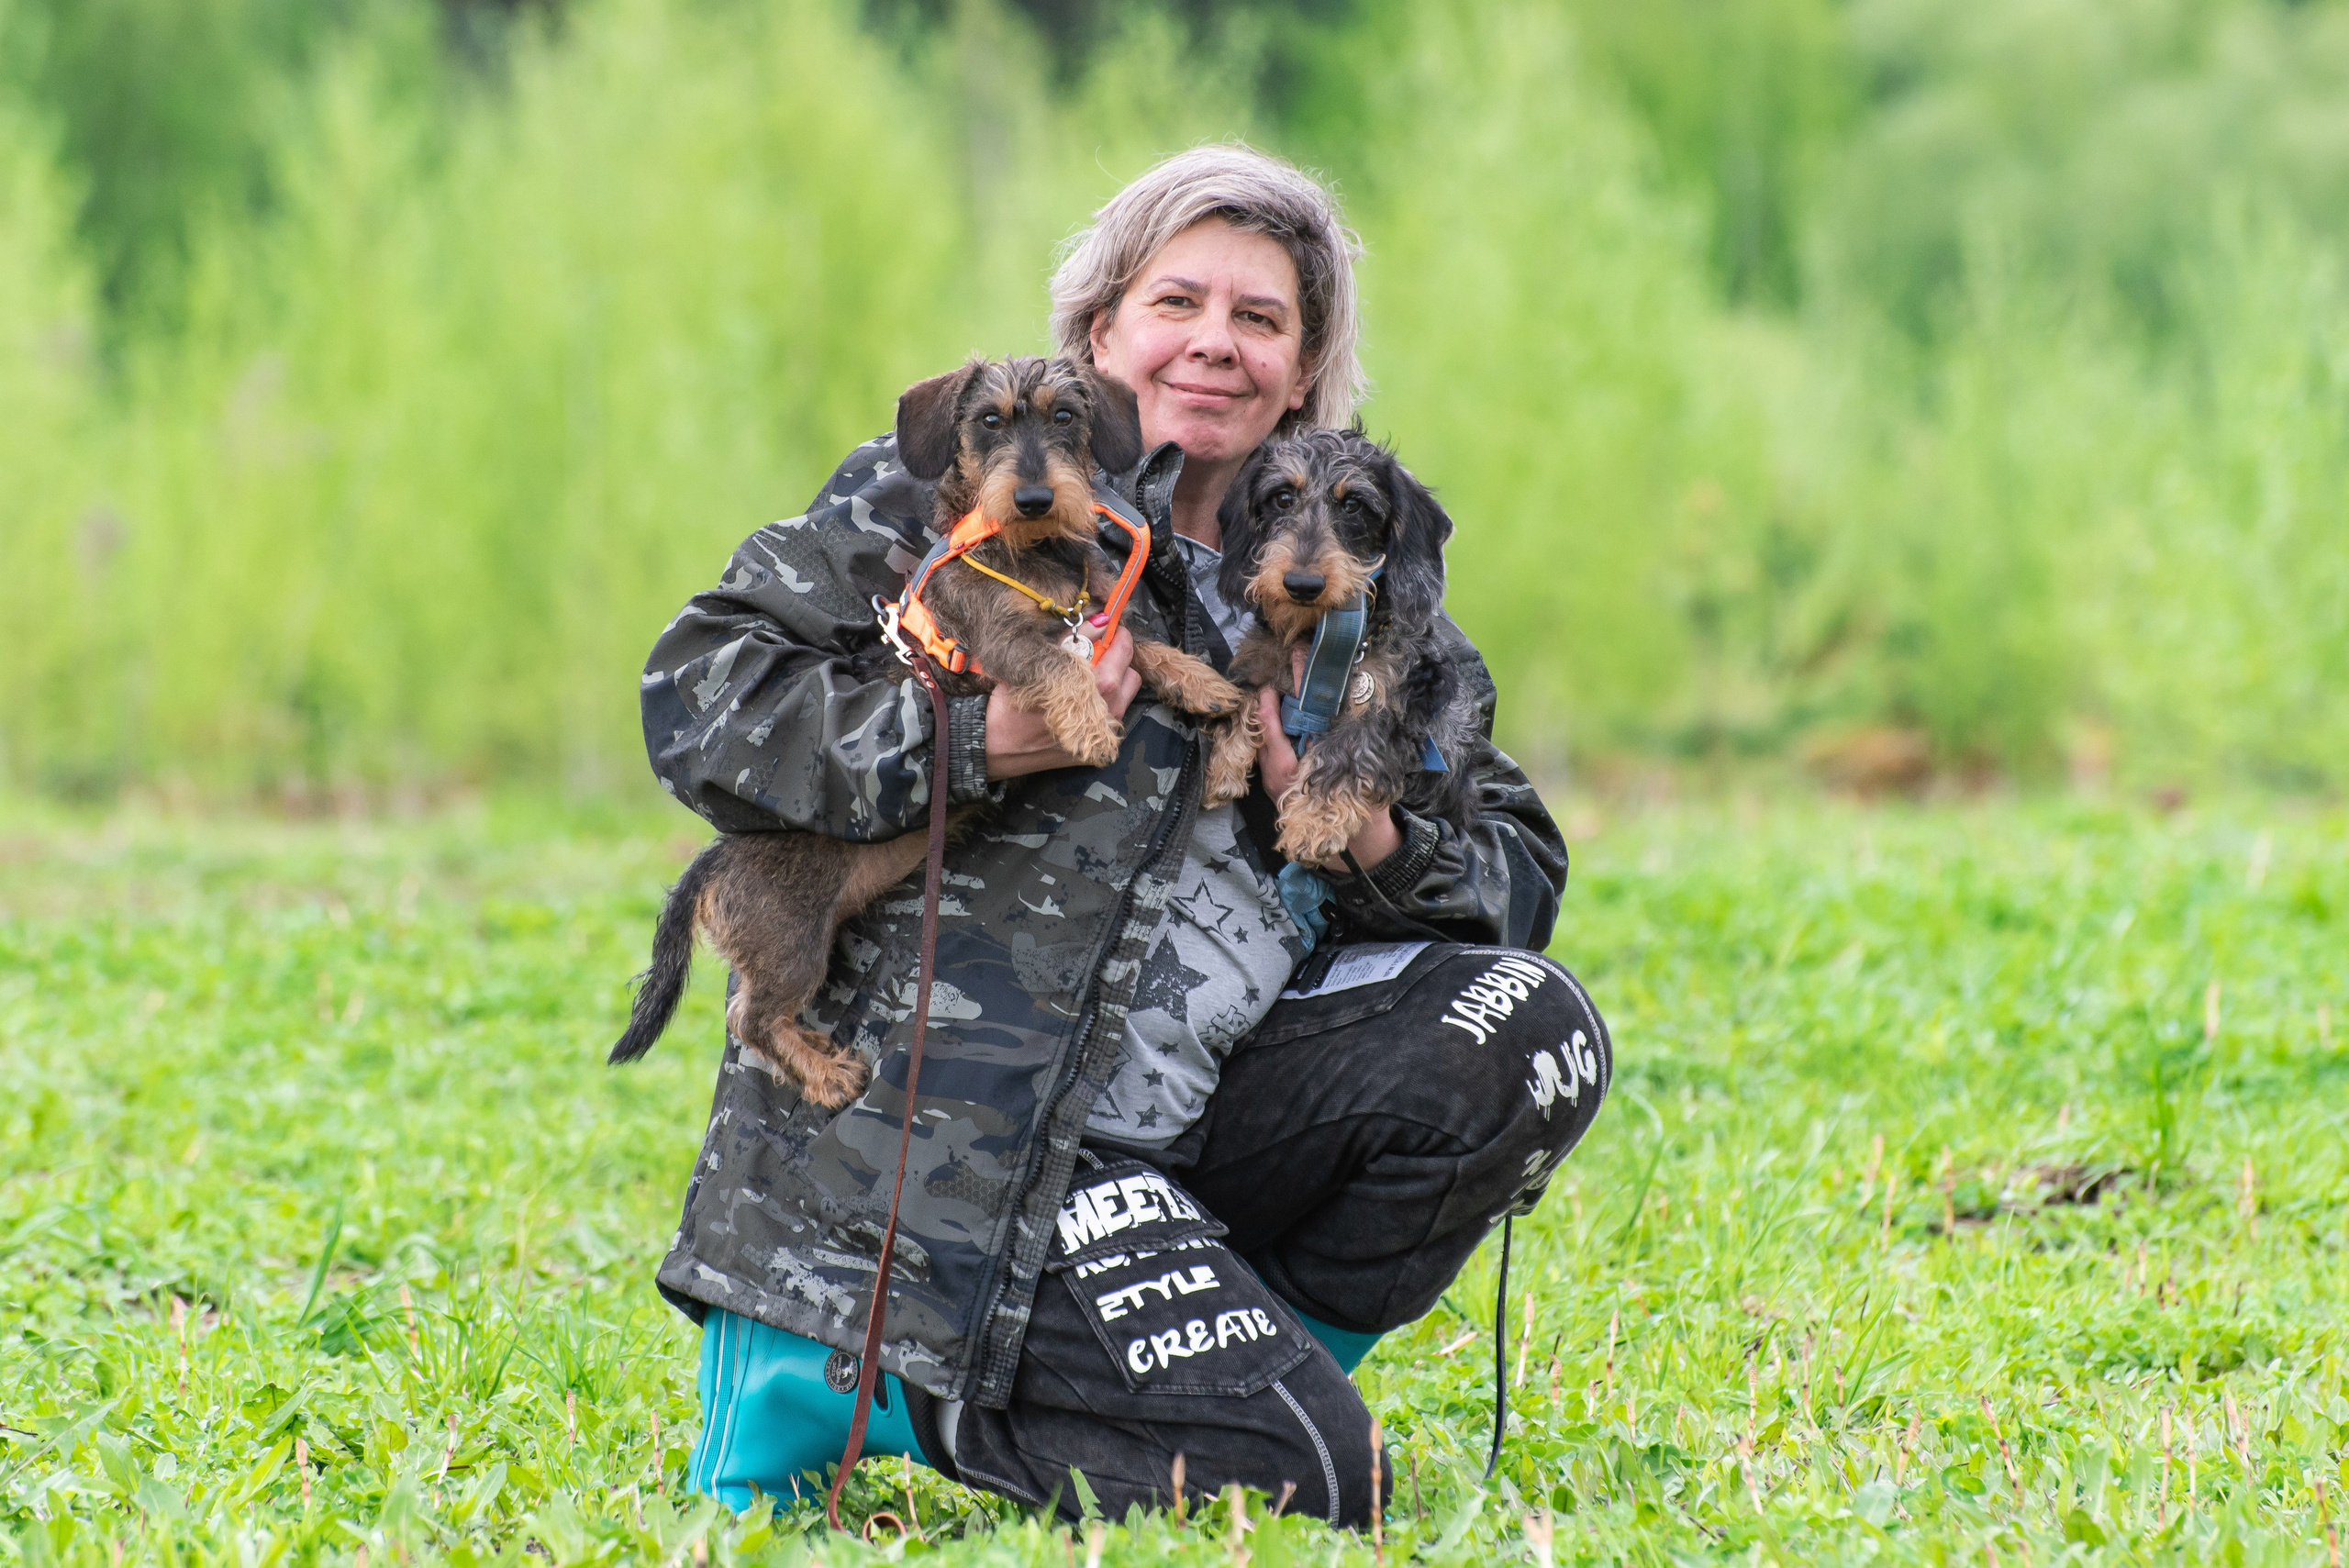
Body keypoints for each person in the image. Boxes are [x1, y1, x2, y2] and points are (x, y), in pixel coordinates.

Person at [640, 144, 1610, 1529]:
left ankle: (1223, 1353)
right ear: (1099, 333)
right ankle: (862, 1365)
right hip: (955, 1172)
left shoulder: (1348, 573)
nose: (1216, 341)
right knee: (1316, 1485)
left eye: (1261, 317)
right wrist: (974, 743)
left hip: (1188, 1139)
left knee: (1531, 1024)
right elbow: (698, 695)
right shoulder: (948, 502)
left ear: (1304, 367)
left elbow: (1517, 867)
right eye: (1177, 302)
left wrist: (1376, 832)